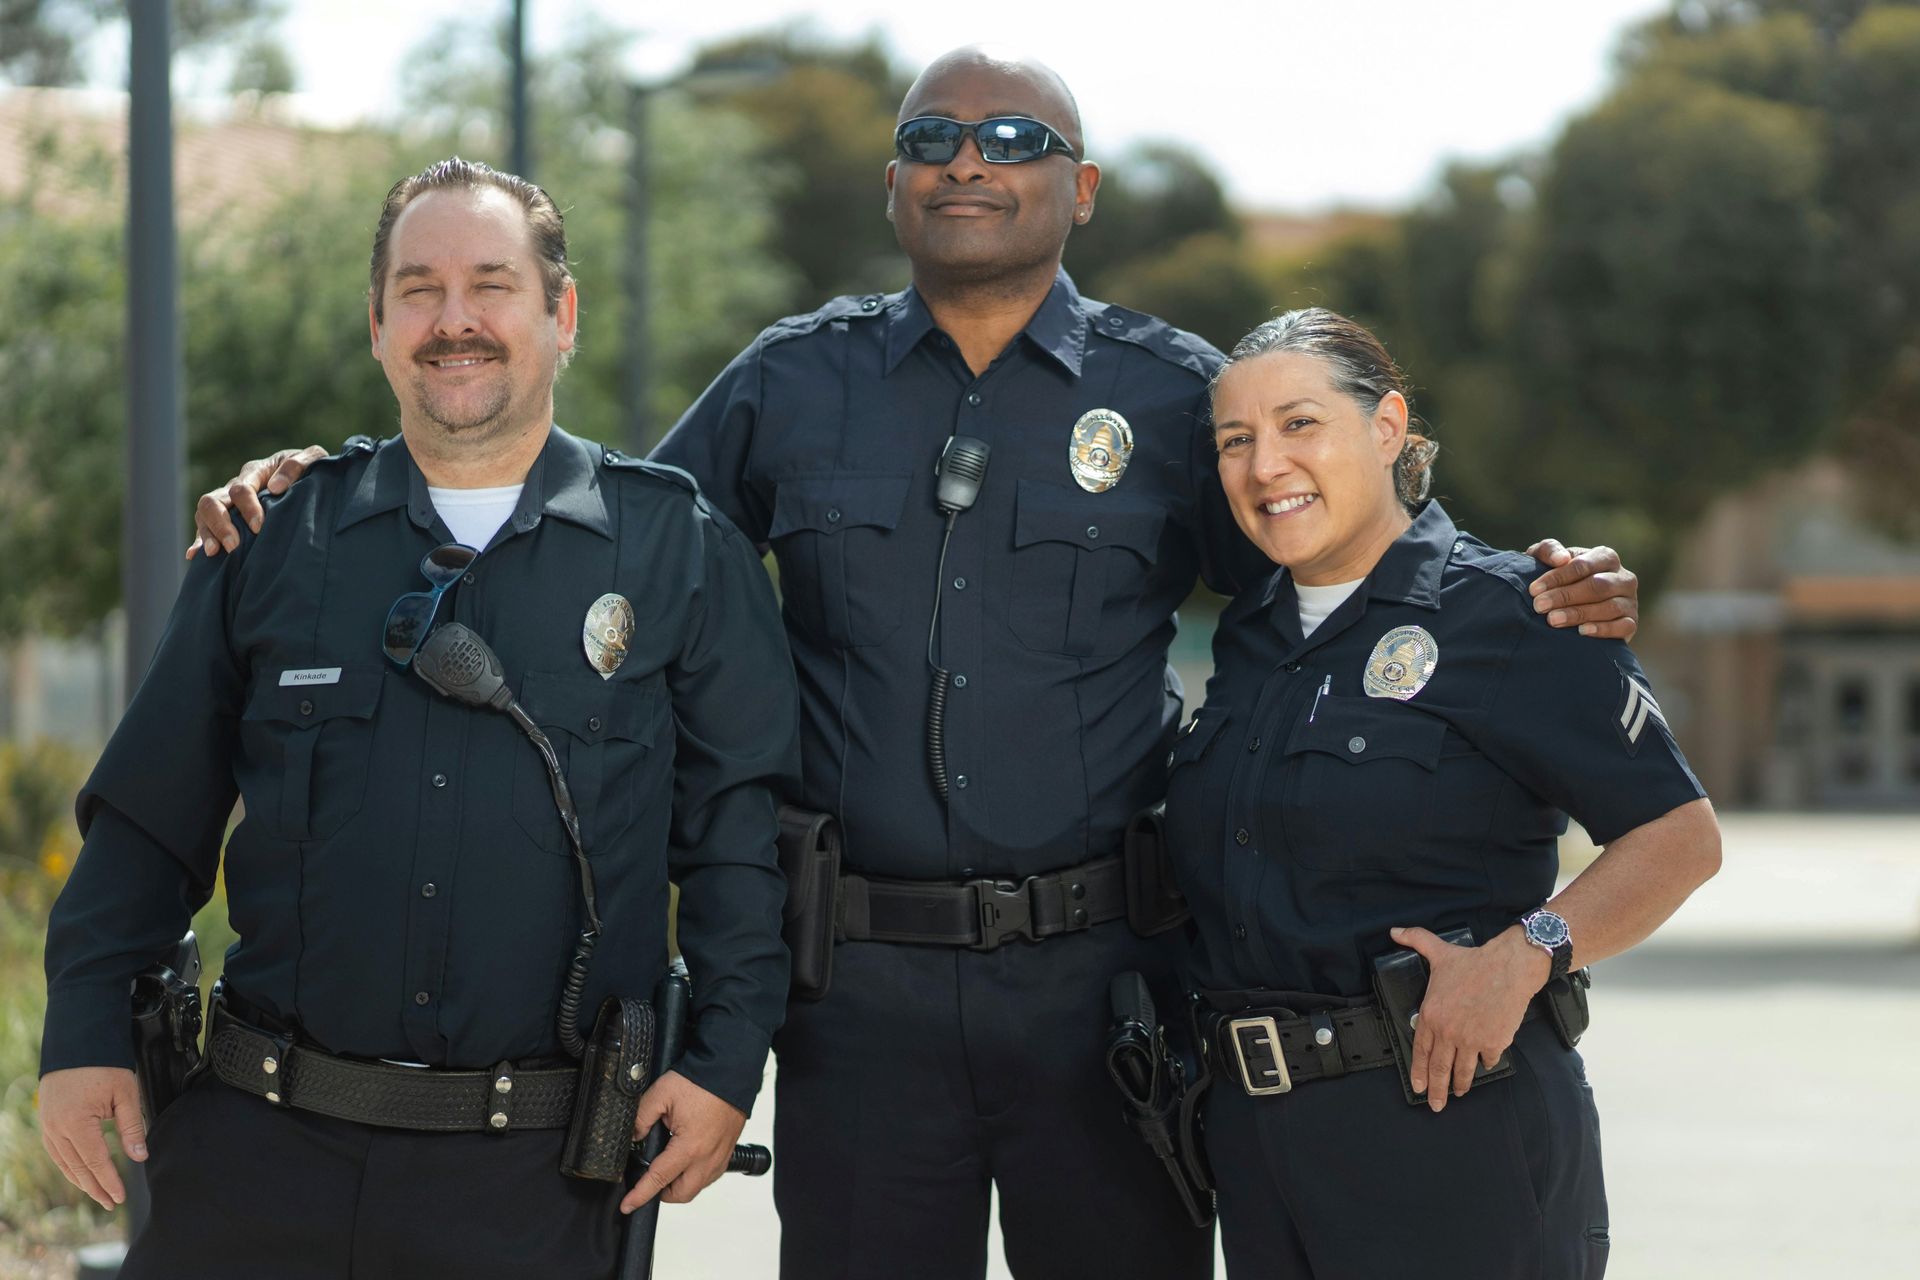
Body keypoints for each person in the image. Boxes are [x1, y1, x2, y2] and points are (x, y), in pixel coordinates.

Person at [186, 48, 1642, 1280]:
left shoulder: (1175, 390)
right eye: (930, 139)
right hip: (860, 1000)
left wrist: (1524, 585)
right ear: (892, 186)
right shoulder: (789, 381)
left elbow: (1332, 542)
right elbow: (589, 539)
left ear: (1080, 188)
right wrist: (339, 486)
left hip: (1112, 993)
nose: (968, 161)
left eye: (1016, 139)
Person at [38, 158, 799, 1279]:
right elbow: (151, 814)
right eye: (418, 288)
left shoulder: (678, 552)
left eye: (491, 284)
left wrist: (729, 1058)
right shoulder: (271, 540)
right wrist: (87, 1027)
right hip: (259, 1156)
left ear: (561, 313)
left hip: (535, 1183)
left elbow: (739, 836)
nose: (455, 321)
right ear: (379, 322)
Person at [1167, 307, 1720, 1279]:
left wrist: (1529, 953)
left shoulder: (1515, 611)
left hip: (1448, 1124)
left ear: (1386, 428)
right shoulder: (1251, 638)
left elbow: (1678, 837)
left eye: (1301, 424)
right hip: (1259, 1151)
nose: (1265, 466)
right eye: (1236, 440)